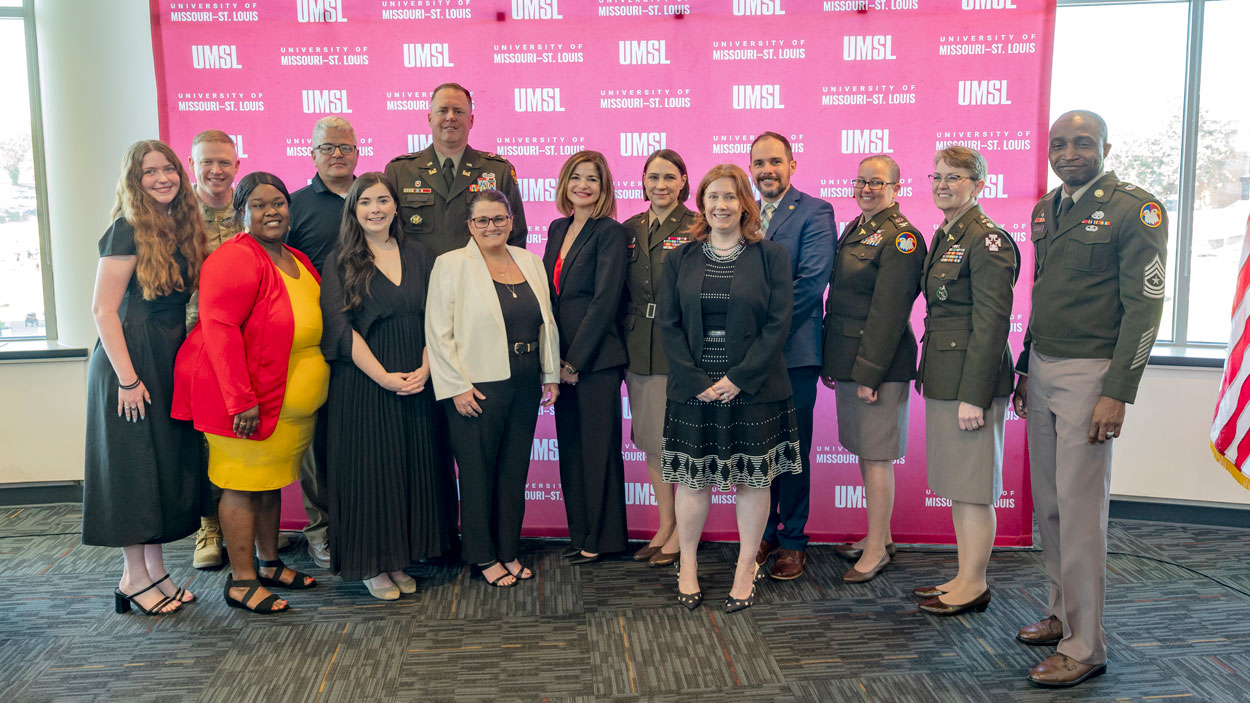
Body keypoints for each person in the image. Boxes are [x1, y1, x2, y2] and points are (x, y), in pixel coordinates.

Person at [1012, 111, 1167, 689]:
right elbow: (1043, 293)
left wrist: (1117, 393)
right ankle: (1063, 612)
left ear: (1106, 146)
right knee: (1050, 506)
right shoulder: (1046, 209)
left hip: (1091, 376)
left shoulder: (1135, 207)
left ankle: (1087, 645)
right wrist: (1026, 365)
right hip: (1046, 367)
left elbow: (1145, 306)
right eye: (1058, 143)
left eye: (1082, 143)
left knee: (1080, 515)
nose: (1069, 152)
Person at [173, 172, 327, 613]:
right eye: (258, 204)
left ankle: (269, 562)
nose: (272, 211)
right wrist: (241, 400)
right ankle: (241, 582)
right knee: (241, 485)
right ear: (241, 212)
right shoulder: (233, 258)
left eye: (278, 202)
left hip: (286, 406)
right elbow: (219, 333)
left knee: (269, 482)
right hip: (243, 403)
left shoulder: (295, 257)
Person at [660, 164, 799, 613]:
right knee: (692, 480)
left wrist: (738, 378)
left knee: (753, 481)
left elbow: (779, 325)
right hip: (693, 389)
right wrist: (696, 382)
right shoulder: (679, 258)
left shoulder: (771, 256)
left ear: (745, 204)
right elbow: (668, 325)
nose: (722, 205)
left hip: (754, 388)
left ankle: (745, 569)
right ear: (701, 203)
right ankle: (687, 566)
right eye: (713, 196)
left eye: (731, 197)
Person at [82, 139, 207, 616]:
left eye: (169, 170)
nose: (162, 178)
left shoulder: (177, 225)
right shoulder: (125, 228)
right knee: (134, 468)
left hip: (162, 355)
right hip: (127, 360)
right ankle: (134, 577)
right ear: (135, 180)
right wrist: (129, 380)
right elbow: (103, 310)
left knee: (158, 466)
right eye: (150, 172)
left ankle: (153, 572)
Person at [318, 173, 456, 600]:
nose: (375, 209)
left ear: (397, 206)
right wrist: (382, 376)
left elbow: (440, 318)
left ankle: (398, 558)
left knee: (409, 469)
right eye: (365, 202)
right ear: (353, 210)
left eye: (383, 200)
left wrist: (427, 368)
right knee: (370, 473)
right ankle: (371, 564)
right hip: (365, 384)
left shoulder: (420, 255)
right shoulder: (340, 259)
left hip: (418, 378)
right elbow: (341, 331)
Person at [426, 189, 560, 588]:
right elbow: (438, 332)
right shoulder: (451, 265)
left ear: (512, 220)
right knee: (478, 472)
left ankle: (508, 550)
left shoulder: (530, 261)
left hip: (524, 378)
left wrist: (550, 373)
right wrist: (456, 387)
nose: (491, 227)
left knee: (513, 471)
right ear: (469, 226)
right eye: (482, 220)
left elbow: (546, 322)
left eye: (499, 219)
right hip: (477, 386)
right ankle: (482, 555)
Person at [913, 147, 1018, 614]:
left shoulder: (987, 238)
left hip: (969, 387)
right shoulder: (950, 232)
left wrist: (973, 396)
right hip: (945, 376)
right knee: (960, 484)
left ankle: (974, 584)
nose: (942, 184)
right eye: (937, 176)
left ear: (978, 185)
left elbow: (992, 323)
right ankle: (963, 573)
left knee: (974, 488)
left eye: (954, 177)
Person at [819, 155, 925, 582]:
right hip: (850, 360)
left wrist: (868, 373)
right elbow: (841, 303)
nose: (867, 188)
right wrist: (835, 361)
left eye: (877, 182)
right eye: (861, 181)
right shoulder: (858, 227)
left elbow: (888, 313)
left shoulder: (902, 239)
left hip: (878, 366)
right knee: (867, 453)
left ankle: (877, 549)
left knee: (878, 457)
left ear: (897, 188)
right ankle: (876, 534)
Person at [748, 132, 836, 582]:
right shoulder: (742, 212)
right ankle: (763, 530)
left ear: (792, 165)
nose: (767, 170)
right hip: (748, 358)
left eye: (775, 162)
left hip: (794, 354)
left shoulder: (816, 212)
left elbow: (811, 282)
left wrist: (763, 336)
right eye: (759, 162)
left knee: (793, 450)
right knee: (758, 450)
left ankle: (794, 539)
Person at [541, 151, 628, 565]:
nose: (583, 185)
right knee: (572, 450)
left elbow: (603, 301)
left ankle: (604, 539)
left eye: (592, 179)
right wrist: (553, 363)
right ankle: (581, 535)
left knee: (599, 451)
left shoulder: (609, 232)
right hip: (560, 362)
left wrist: (574, 363)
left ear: (603, 186)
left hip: (595, 362)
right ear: (565, 183)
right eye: (576, 177)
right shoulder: (558, 228)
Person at [287, 115, 360, 570]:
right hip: (314, 341)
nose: (337, 154)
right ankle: (321, 530)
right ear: (312, 154)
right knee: (317, 444)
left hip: (371, 340)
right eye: (328, 148)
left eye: (345, 147)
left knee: (360, 438)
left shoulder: (374, 198)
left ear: (357, 152)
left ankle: (361, 525)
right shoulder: (293, 207)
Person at [621, 149, 698, 567]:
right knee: (652, 443)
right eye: (653, 177)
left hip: (680, 349)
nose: (661, 185)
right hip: (639, 347)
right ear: (644, 181)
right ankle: (666, 524)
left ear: (684, 181)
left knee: (678, 444)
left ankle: (683, 534)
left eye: (670, 177)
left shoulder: (698, 226)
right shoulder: (630, 228)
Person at [386, 82, 526, 258]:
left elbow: (516, 237)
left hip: (480, 281)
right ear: (430, 118)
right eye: (442, 110)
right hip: (421, 281)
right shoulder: (400, 171)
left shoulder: (498, 171)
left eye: (458, 111)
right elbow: (386, 236)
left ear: (471, 120)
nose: (450, 117)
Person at [186, 129, 240, 570]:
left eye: (224, 162)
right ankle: (209, 526)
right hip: (193, 340)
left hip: (246, 341)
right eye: (207, 162)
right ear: (193, 166)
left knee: (244, 434)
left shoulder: (253, 210)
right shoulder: (176, 215)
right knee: (204, 437)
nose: (216, 170)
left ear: (237, 165)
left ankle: (254, 527)